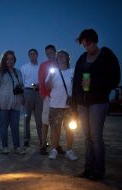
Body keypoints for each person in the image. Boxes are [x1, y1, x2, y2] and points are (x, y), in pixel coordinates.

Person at [73, 28, 120, 180]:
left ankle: (99, 171)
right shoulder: (82, 58)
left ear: (94, 41)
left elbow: (115, 79)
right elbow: (76, 81)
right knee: (87, 136)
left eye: (87, 45)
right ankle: (88, 169)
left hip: (98, 101)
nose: (86, 48)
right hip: (83, 102)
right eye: (84, 46)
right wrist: (75, 102)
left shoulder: (106, 55)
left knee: (96, 136)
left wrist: (94, 82)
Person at [0, 50, 25, 154]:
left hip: (16, 103)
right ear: (4, 60)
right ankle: (5, 147)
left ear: (15, 60)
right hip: (3, 103)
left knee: (15, 126)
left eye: (12, 59)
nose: (10, 61)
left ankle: (17, 147)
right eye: (8, 59)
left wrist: (23, 97)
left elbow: (21, 86)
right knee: (4, 126)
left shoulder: (17, 72)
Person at [45, 50, 77, 160]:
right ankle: (54, 150)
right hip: (55, 104)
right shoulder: (52, 72)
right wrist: (51, 76)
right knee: (55, 128)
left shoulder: (73, 71)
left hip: (69, 106)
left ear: (68, 58)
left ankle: (69, 150)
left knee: (70, 128)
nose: (60, 57)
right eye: (58, 56)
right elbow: (47, 87)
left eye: (63, 55)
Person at [38, 45, 64, 155]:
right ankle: (43, 144)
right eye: (47, 53)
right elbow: (41, 80)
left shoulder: (61, 64)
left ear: (55, 52)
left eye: (51, 53)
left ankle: (56, 145)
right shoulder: (44, 65)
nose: (49, 55)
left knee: (57, 123)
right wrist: (44, 95)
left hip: (59, 98)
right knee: (45, 122)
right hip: (48, 98)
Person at [20, 49, 42, 147]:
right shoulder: (24, 67)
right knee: (26, 117)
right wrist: (22, 96)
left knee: (39, 118)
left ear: (37, 55)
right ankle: (26, 139)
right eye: (31, 54)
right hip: (28, 92)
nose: (32, 55)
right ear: (29, 56)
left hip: (39, 93)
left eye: (34, 54)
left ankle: (42, 139)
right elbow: (22, 83)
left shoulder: (41, 66)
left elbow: (44, 80)